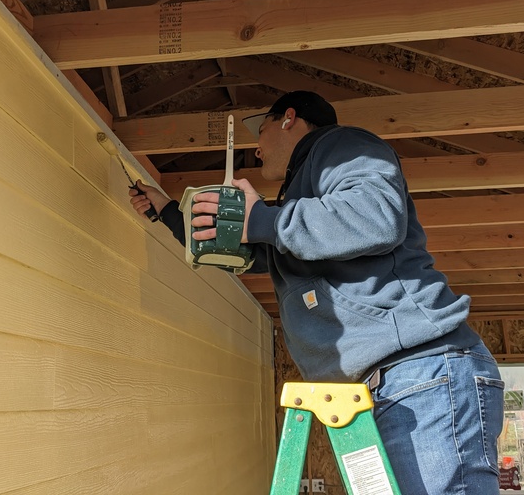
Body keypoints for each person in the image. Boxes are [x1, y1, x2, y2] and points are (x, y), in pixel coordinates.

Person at [130, 90, 504, 494]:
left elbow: (376, 216)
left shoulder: (341, 145)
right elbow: (255, 251)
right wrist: (169, 211)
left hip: (419, 375)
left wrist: (263, 220)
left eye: (262, 128)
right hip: (379, 392)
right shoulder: (299, 195)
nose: (256, 150)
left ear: (289, 118)